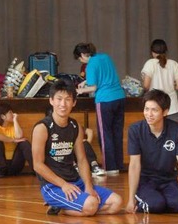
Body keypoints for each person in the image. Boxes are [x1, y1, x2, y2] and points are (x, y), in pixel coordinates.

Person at [33, 79, 122, 216]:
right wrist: (63, 185)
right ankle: (61, 207)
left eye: (68, 99)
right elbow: (37, 165)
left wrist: (88, 185)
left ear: (74, 102)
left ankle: (68, 207)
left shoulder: (75, 126)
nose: (63, 104)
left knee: (117, 203)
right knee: (91, 204)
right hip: (53, 186)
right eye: (59, 99)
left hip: (75, 181)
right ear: (51, 101)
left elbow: (81, 160)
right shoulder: (42, 128)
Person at [126, 89, 178, 214]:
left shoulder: (177, 130)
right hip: (145, 181)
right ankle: (146, 199)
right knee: (156, 205)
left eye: (154, 110)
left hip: (168, 180)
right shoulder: (135, 130)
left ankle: (166, 200)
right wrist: (130, 199)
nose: (149, 114)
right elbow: (134, 165)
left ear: (165, 112)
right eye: (146, 109)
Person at [74, 43, 126, 174]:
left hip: (105, 100)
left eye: (79, 59)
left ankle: (110, 168)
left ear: (81, 55)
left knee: (105, 134)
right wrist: (85, 82)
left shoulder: (90, 65)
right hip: (119, 97)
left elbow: (93, 88)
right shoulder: (105, 57)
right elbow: (104, 76)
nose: (80, 61)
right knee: (117, 133)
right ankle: (119, 165)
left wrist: (79, 91)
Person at [140, 39, 178, 122]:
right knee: (173, 133)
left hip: (155, 106)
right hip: (172, 106)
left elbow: (146, 85)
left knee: (156, 133)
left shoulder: (150, 63)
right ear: (166, 50)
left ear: (152, 52)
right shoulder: (174, 64)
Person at [0, 102, 33, 177]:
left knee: (24, 143)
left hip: (12, 165)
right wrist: (13, 140)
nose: (13, 114)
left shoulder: (12, 126)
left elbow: (19, 136)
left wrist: (15, 120)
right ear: (3, 116)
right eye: (10, 112)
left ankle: (36, 170)